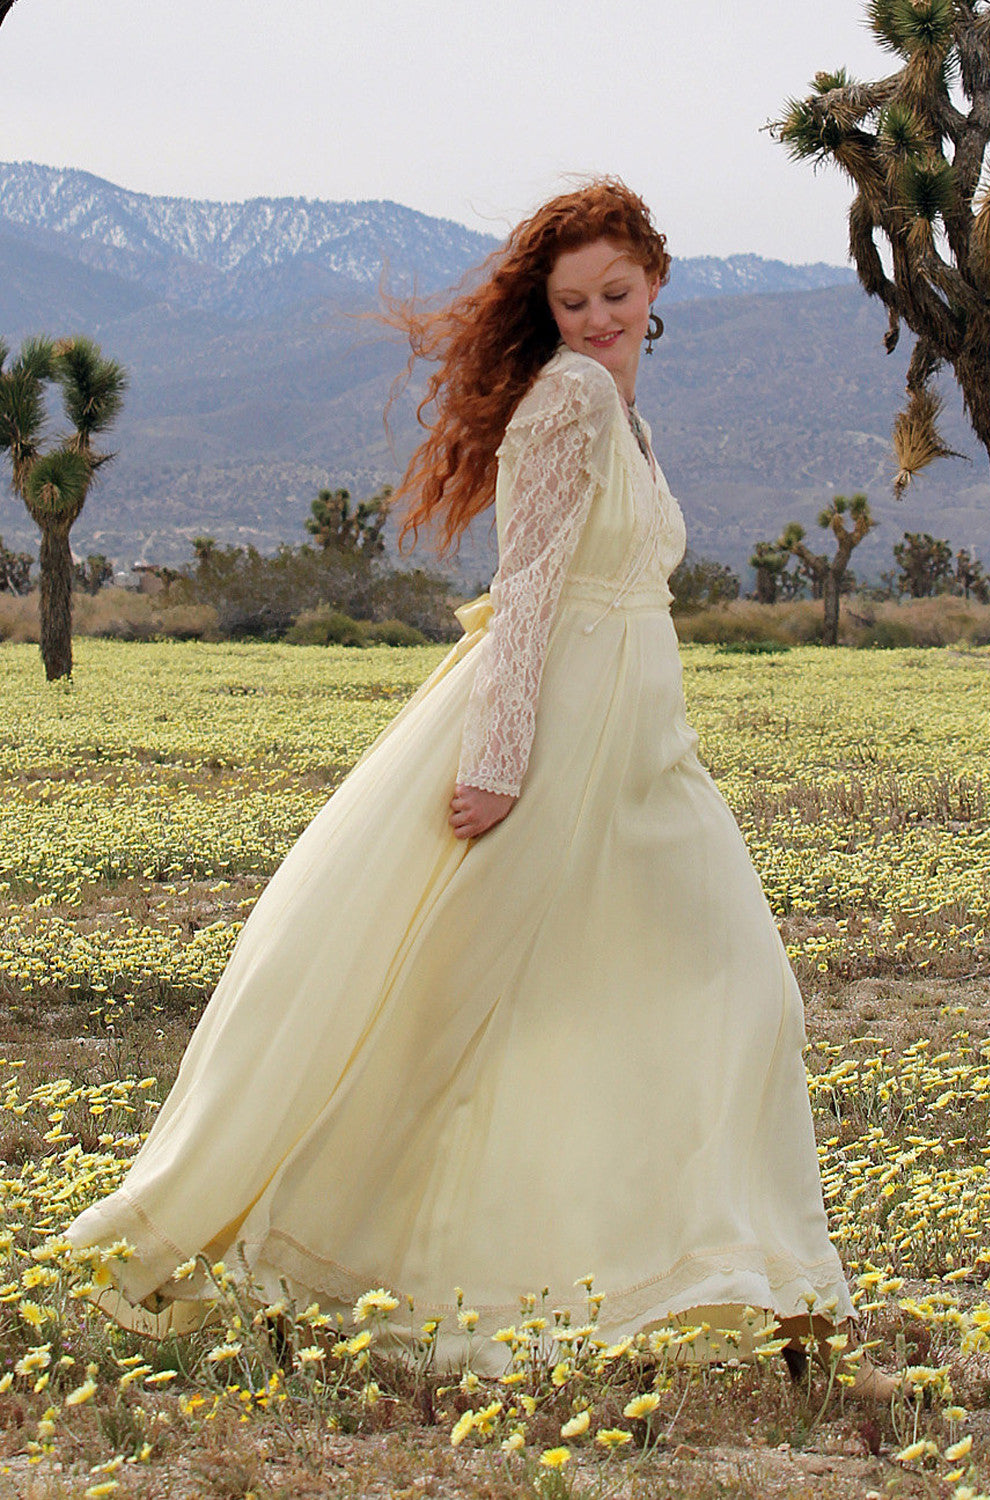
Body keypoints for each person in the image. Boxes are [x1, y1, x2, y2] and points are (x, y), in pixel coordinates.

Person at [67, 177, 888, 1393]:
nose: (598, 317)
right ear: (548, 309)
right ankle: (495, 1265)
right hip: (560, 738)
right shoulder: (571, 400)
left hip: (641, 751)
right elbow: (531, 587)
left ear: (654, 282)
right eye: (574, 301)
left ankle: (727, 1275)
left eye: (616, 293)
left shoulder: (622, 411)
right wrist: (499, 765)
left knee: (707, 993)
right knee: (502, 1000)